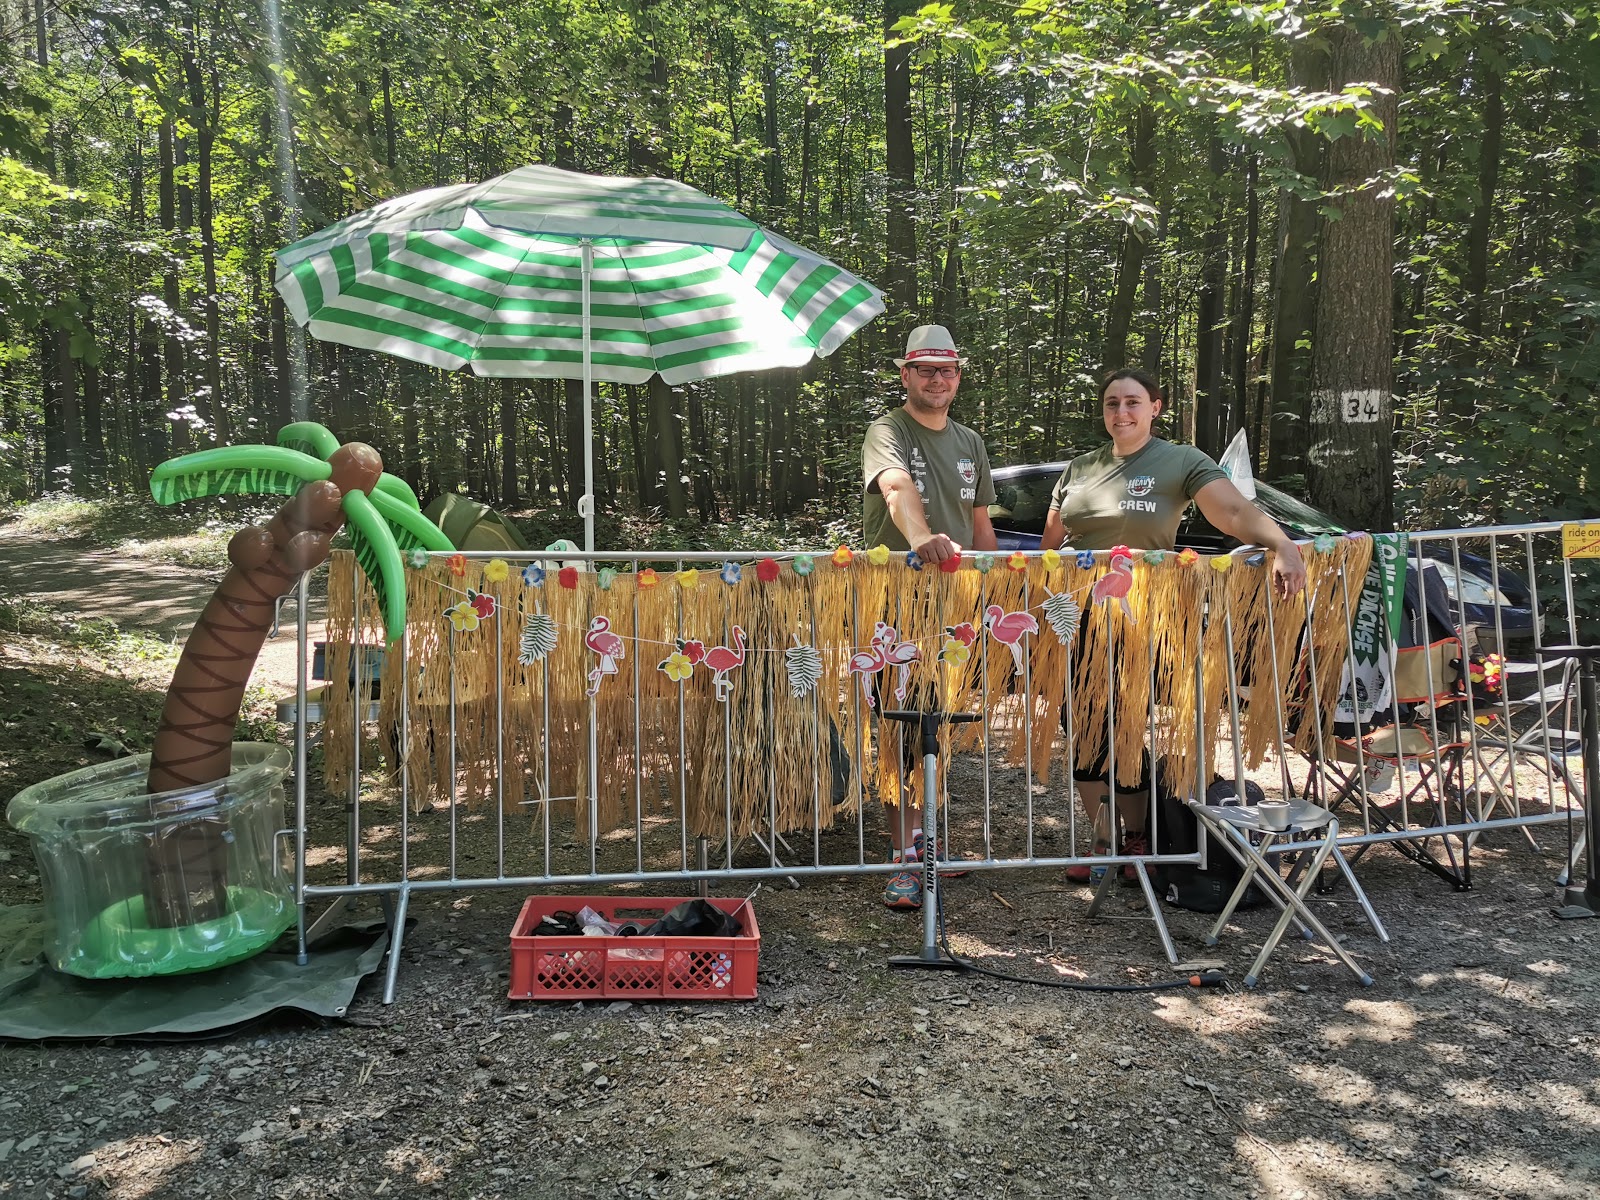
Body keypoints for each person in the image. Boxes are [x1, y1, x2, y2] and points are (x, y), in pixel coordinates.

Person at [1041, 367, 1308, 882]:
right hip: (1075, 616)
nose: (1121, 412)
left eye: (1133, 403)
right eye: (1112, 403)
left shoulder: (1181, 460)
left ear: (1155, 407)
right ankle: (1102, 840)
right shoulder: (1078, 468)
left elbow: (1231, 511)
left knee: (1125, 720)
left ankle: (1138, 836)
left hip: (1147, 614)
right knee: (1085, 726)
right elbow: (1050, 547)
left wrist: (1282, 543)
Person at [861, 324, 998, 908]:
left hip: (957, 608)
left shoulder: (970, 441)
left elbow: (980, 522)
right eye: (924, 370)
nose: (936, 380)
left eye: (946, 371)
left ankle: (926, 842)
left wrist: (996, 588)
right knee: (897, 722)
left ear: (958, 377)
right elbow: (895, 489)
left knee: (937, 720)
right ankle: (901, 857)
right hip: (894, 600)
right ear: (906, 374)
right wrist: (921, 538)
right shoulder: (888, 429)